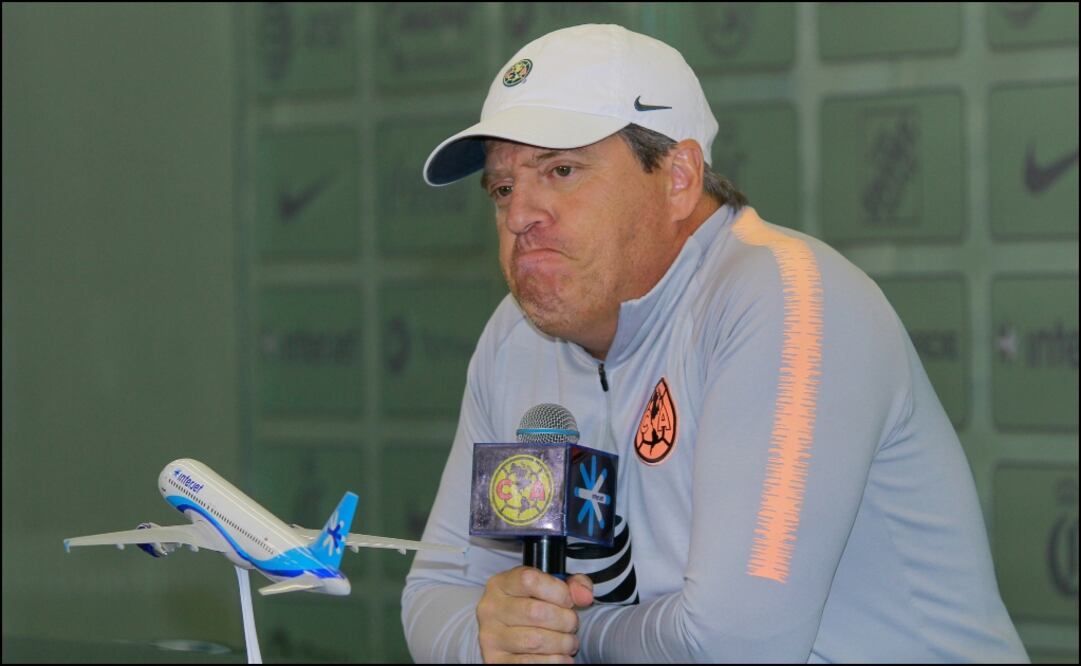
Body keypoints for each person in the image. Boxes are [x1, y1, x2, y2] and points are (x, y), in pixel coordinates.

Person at [401, 23, 1028, 664]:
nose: (519, 214)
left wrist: (564, 634)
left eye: (561, 170)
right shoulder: (515, 337)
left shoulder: (784, 297)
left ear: (677, 176)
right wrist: (491, 634)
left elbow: (737, 643)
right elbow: (436, 592)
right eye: (502, 189)